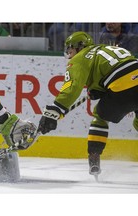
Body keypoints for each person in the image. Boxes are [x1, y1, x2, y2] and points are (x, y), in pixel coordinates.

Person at [37, 31, 138, 178]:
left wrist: (54, 111)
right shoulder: (106, 49)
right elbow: (121, 69)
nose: (69, 53)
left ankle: (94, 156)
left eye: (70, 49)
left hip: (123, 86)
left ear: (79, 47)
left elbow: (72, 88)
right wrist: (99, 88)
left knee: (100, 115)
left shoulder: (80, 57)